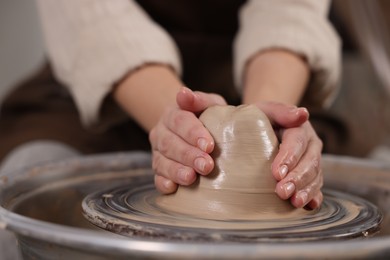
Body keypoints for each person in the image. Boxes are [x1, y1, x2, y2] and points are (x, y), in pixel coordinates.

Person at [0, 0, 340, 211]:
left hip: (258, 74)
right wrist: (185, 125)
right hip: (104, 78)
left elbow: (287, 10)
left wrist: (261, 125)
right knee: (34, 173)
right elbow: (94, 18)